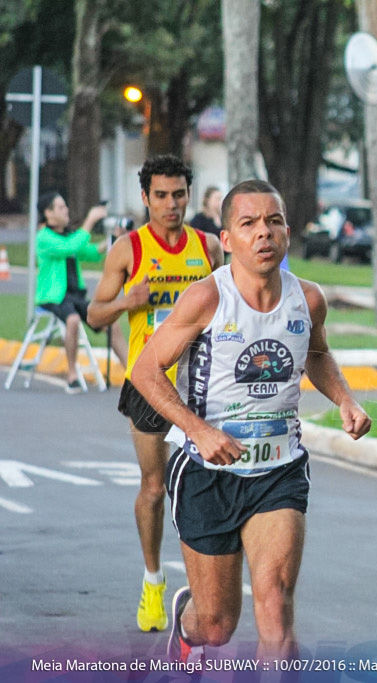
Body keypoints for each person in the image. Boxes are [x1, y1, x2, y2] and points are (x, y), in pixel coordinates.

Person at [131, 179, 371, 662]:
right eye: (249, 224)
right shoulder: (207, 299)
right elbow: (144, 370)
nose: (264, 233)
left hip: (279, 470)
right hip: (206, 473)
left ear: (286, 231)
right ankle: (188, 621)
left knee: (276, 608)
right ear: (228, 240)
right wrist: (198, 431)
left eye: (273, 221)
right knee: (217, 627)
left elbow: (316, 354)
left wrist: (345, 399)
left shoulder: (309, 299)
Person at [87, 155, 224, 633]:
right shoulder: (128, 250)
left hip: (203, 380)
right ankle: (153, 579)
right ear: (145, 198)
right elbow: (95, 315)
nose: (172, 204)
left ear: (189, 195)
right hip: (149, 382)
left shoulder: (208, 247)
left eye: (179, 194)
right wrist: (128, 299)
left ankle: (206, 580)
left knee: (209, 481)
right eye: (162, 196)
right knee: (153, 487)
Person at [35, 191, 129, 392]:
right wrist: (91, 219)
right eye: (60, 207)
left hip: (75, 295)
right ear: (48, 213)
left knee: (111, 322)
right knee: (73, 320)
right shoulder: (44, 237)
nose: (66, 210)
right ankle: (71, 374)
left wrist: (114, 238)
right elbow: (68, 248)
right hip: (53, 296)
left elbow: (92, 253)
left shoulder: (69, 236)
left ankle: (132, 373)